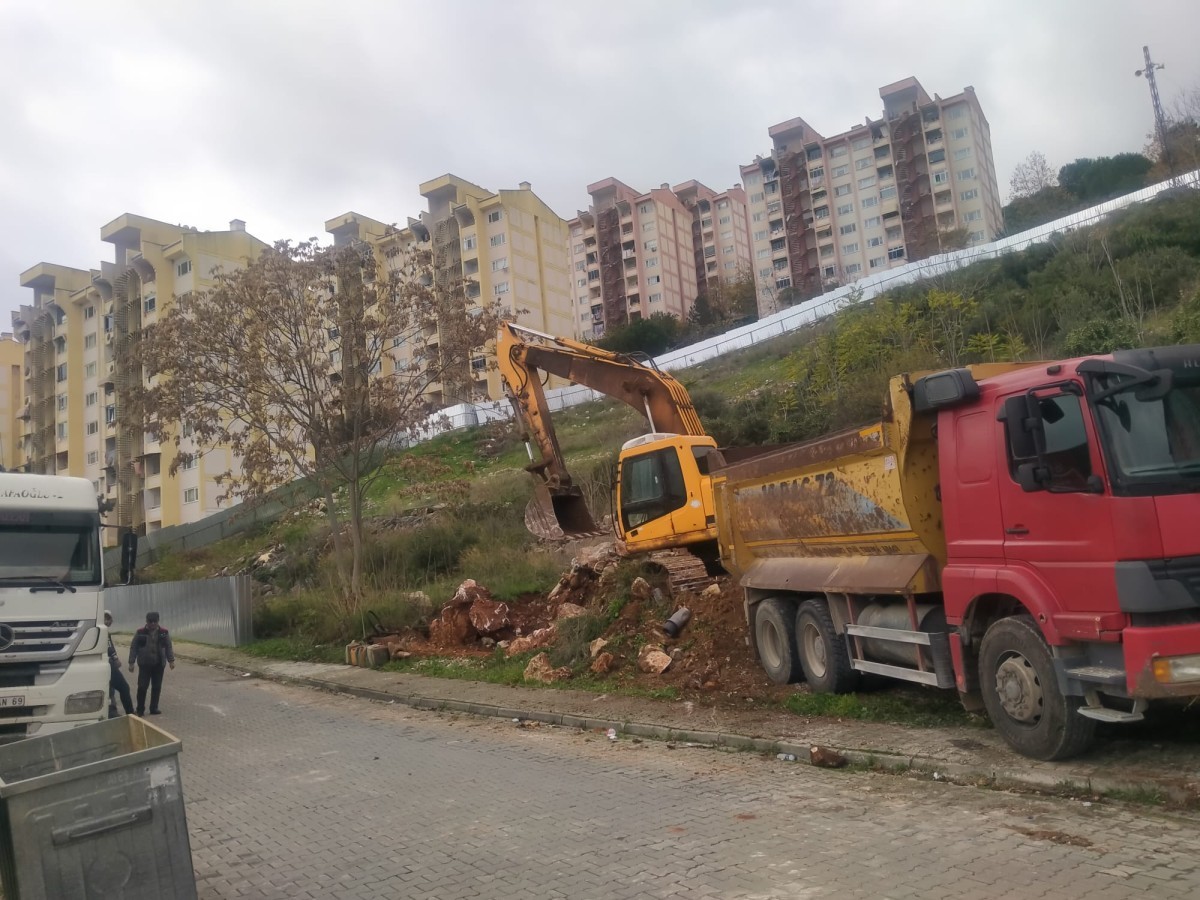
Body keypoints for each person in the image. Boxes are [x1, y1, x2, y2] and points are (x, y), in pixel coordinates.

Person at [128, 611, 176, 716]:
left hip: (159, 664)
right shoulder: (140, 632)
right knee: (142, 687)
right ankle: (140, 709)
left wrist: (171, 661)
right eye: (150, 622)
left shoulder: (164, 632)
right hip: (144, 664)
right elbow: (133, 647)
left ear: (158, 621)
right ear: (146, 621)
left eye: (155, 622)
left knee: (156, 687)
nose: (153, 624)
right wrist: (131, 662)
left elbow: (168, 646)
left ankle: (154, 708)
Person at [104, 610, 134, 716]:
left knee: (109, 689)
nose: (111, 621)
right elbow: (109, 647)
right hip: (107, 663)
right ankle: (130, 714)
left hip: (105, 663)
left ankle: (112, 712)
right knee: (124, 688)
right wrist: (115, 658)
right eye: (109, 619)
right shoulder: (104, 631)